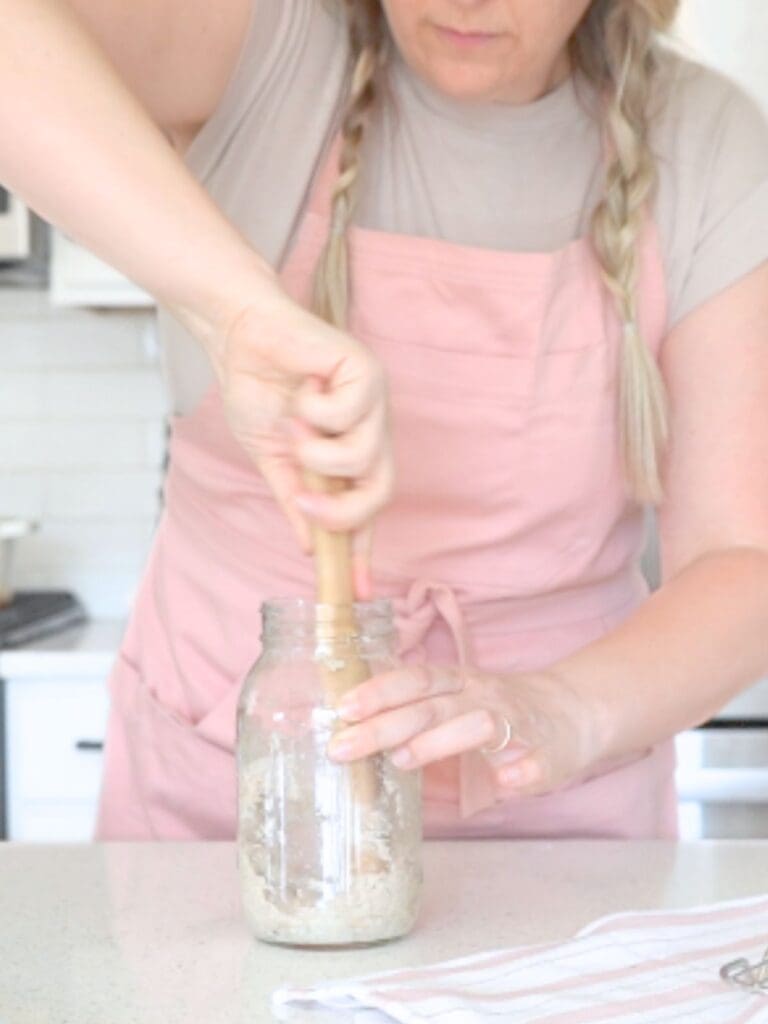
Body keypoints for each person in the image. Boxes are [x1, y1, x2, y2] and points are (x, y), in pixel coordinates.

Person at [2, 0, 767, 840]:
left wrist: (561, 709)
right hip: (223, 787)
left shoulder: (707, 141)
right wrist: (236, 312)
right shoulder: (271, 40)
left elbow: (744, 559)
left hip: (556, 812)